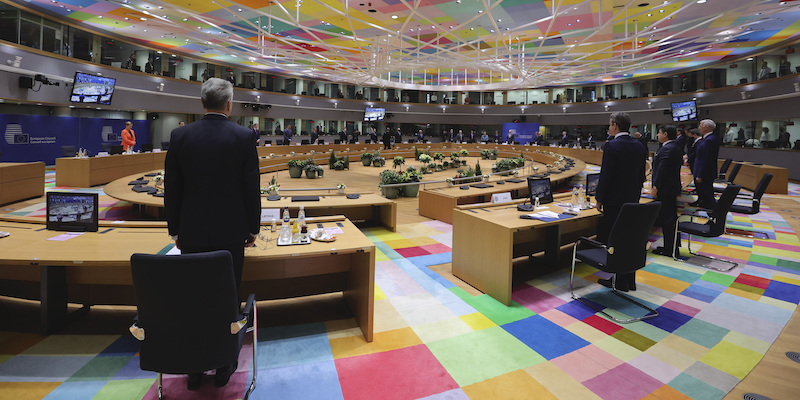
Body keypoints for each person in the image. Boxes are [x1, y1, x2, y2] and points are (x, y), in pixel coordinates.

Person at [164, 77, 261, 390]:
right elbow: (251, 188)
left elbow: (172, 189)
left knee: (194, 297)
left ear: (202, 103)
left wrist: (175, 229)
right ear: (230, 104)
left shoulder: (180, 136)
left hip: (191, 235)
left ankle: (194, 367)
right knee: (228, 298)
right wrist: (253, 228)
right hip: (232, 235)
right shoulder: (244, 136)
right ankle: (224, 363)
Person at [594, 112, 647, 292]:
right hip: (632, 199)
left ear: (615, 125)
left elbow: (606, 176)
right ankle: (628, 280)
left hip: (614, 202)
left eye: (610, 124)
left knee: (614, 240)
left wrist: (599, 198)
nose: (609, 127)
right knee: (628, 239)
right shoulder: (639, 146)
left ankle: (617, 279)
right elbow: (641, 176)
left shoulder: (612, 146)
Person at [651, 125, 683, 257]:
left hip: (665, 189)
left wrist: (655, 187)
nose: (657, 135)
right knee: (671, 218)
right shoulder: (675, 147)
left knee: (667, 220)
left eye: (659, 133)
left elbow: (662, 171)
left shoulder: (667, 149)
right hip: (672, 187)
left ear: (665, 134)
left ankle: (669, 248)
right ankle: (673, 245)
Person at [692, 119, 720, 209]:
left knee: (707, 192)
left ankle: (711, 211)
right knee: (702, 190)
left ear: (706, 127)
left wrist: (700, 174)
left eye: (701, 125)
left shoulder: (710, 140)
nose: (699, 127)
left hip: (705, 172)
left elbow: (706, 159)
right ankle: (701, 201)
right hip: (702, 170)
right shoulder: (707, 138)